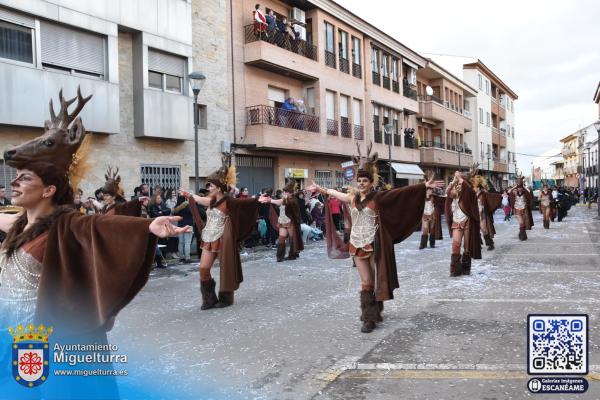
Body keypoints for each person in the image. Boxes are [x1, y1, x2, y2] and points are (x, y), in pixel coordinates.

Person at [0, 89, 189, 398]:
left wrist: (148, 226)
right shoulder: (20, 224)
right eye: (16, 177)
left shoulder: (66, 225)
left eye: (24, 179)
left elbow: (100, 226)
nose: (14, 183)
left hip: (42, 337)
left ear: (48, 190)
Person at [307, 142, 443, 333]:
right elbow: (335, 194)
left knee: (374, 279)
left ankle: (376, 309)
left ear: (371, 182)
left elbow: (400, 193)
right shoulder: (353, 198)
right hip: (355, 243)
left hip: (373, 243)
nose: (361, 184)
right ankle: (369, 318)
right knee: (365, 282)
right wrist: (320, 189)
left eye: (364, 181)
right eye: (359, 181)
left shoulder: (378, 198)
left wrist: (422, 186)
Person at [180, 158, 267, 310]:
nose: (208, 187)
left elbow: (244, 204)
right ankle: (209, 298)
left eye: (211, 185)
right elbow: (200, 199)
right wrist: (190, 195)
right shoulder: (212, 200)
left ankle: (226, 298)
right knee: (203, 268)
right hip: (208, 238)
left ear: (219, 188)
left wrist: (258, 199)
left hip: (222, 238)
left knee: (225, 269)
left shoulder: (228, 202)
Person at [445, 166, 482, 276]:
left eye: (460, 184)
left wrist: (460, 178)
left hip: (467, 221)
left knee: (466, 247)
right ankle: (455, 270)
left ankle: (466, 269)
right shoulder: (456, 190)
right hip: (456, 220)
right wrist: (453, 181)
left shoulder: (469, 191)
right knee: (455, 245)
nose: (458, 186)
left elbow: (469, 189)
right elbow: (448, 192)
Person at [264, 179, 304, 262]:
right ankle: (279, 257)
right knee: (281, 238)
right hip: (282, 221)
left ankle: (293, 254)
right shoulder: (285, 199)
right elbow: (281, 202)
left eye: (286, 192)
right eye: (284, 192)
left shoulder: (293, 200)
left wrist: (270, 200)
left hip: (291, 222)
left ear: (291, 192)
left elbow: (281, 202)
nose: (284, 193)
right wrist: (270, 200)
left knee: (293, 238)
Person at [471, 174, 502, 251]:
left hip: (482, 214)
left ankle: (490, 244)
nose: (473, 188)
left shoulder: (483, 194)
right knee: (475, 230)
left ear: (478, 187)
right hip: (474, 214)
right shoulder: (472, 194)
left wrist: (501, 195)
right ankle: (478, 244)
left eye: (474, 187)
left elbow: (493, 196)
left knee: (484, 229)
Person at [419, 179, 443, 250]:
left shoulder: (434, 197)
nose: (430, 191)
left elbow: (440, 198)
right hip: (425, 214)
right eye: (429, 190)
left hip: (432, 214)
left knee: (432, 229)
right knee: (425, 229)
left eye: (431, 190)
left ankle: (432, 244)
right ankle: (423, 244)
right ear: (426, 190)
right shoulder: (421, 197)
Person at [508, 176, 533, 240]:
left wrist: (522, 185)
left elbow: (529, 191)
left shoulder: (525, 193)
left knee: (523, 224)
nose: (519, 189)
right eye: (518, 188)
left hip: (524, 210)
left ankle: (522, 234)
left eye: (521, 188)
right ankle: (521, 236)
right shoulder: (514, 192)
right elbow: (509, 191)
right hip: (517, 210)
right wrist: (515, 186)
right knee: (521, 223)